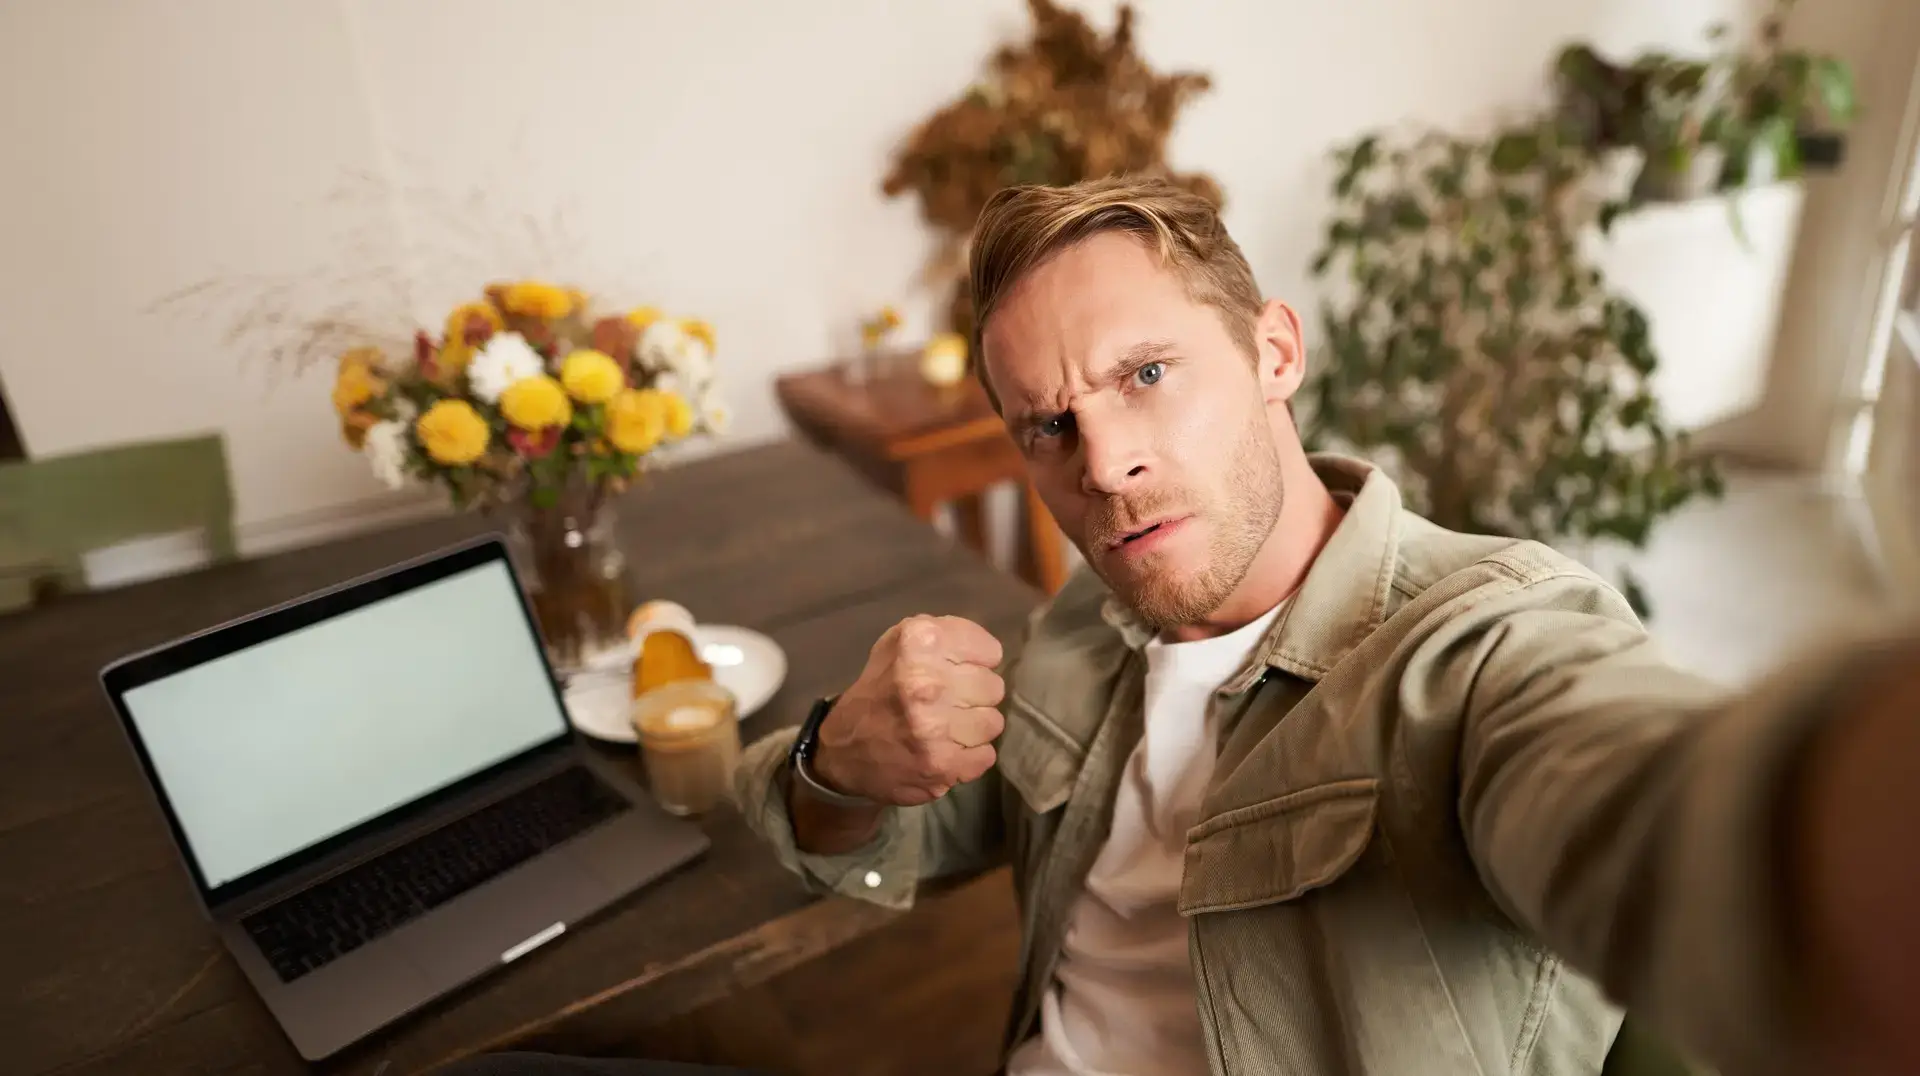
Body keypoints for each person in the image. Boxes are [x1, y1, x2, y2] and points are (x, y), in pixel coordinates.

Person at [732, 175, 1920, 1076]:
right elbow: (874, 837)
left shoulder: (1481, 647)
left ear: (1274, 351)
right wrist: (836, 760)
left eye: (1146, 373)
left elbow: (1659, 815)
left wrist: (1829, 820)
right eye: (1049, 425)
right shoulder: (1086, 625)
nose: (1106, 462)